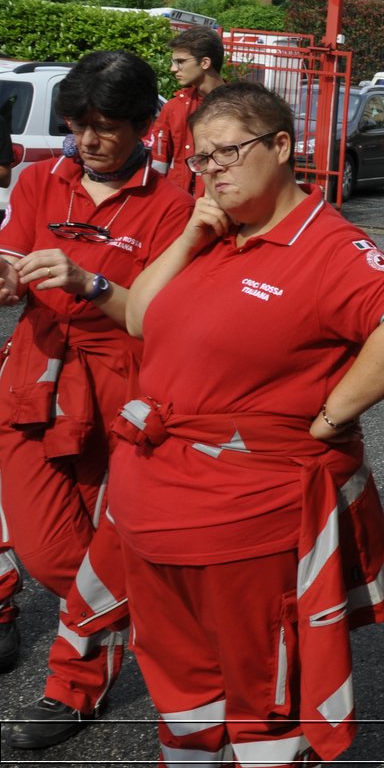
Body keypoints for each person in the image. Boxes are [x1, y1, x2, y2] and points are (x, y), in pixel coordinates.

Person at [108, 82, 384, 765]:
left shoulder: (326, 245)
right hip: (150, 507)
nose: (214, 171)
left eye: (228, 152)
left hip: (241, 521)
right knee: (181, 686)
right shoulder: (210, 232)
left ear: (282, 146)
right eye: (201, 159)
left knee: (263, 693)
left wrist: (331, 414)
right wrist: (193, 233)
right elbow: (140, 315)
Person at [0, 52, 192, 749]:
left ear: (144, 125)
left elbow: (163, 315)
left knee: (112, 546)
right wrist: (8, 278)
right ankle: (169, 617)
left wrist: (89, 283)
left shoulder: (176, 205)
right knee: (50, 552)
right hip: (38, 372)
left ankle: (72, 688)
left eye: (104, 126)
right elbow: (12, 256)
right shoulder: (39, 179)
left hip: (126, 386)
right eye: (77, 124)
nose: (86, 140)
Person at [149, 27, 227, 196]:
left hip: (220, 204)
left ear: (205, 63)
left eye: (180, 62)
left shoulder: (239, 106)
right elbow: (158, 162)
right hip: (177, 204)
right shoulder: (173, 108)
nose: (173, 69)